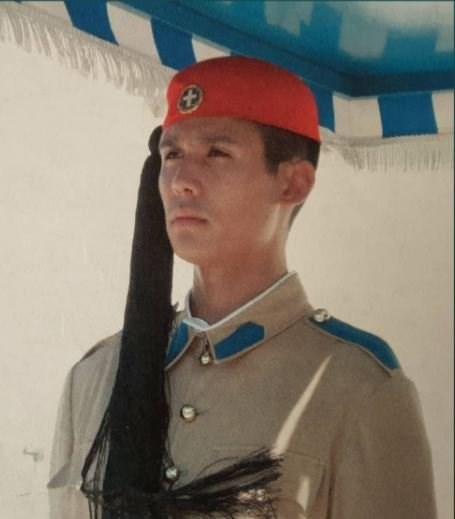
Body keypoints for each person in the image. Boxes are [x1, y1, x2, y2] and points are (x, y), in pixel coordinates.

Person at [48, 56, 437, 518]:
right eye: (172, 155)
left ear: (293, 183)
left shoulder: (356, 388)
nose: (181, 181)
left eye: (217, 153)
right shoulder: (95, 377)